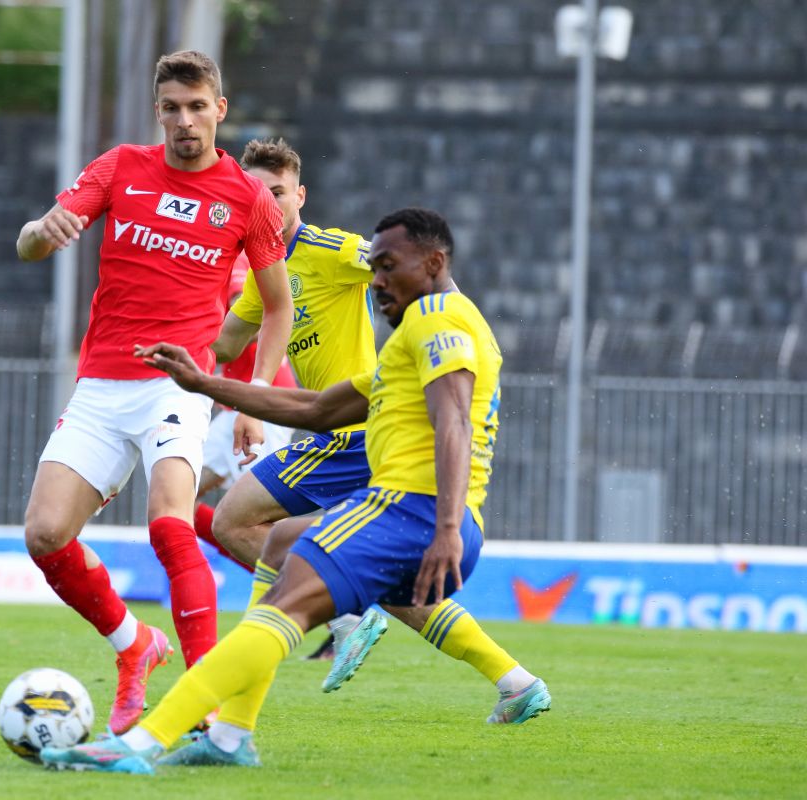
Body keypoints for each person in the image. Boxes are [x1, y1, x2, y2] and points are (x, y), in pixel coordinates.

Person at [41, 207, 551, 774]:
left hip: (411, 511)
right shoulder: (419, 333)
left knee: (282, 602)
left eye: (389, 266)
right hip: (418, 516)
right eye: (375, 268)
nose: (377, 281)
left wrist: (447, 528)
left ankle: (141, 744)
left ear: (434, 263)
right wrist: (205, 383)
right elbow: (317, 408)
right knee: (281, 542)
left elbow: (453, 419)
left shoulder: (436, 318)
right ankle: (231, 735)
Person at [14, 50, 293, 736]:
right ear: (158, 112)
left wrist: (253, 395)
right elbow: (30, 243)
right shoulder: (119, 168)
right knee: (45, 535)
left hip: (178, 384)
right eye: (172, 108)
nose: (184, 120)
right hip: (101, 384)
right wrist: (41, 233)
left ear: (219, 110)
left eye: (197, 107)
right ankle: (134, 644)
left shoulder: (248, 199)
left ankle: (201, 703)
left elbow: (278, 306)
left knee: (169, 521)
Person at [201, 137, 381, 656]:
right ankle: (514, 681)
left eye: (278, 192)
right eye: (257, 194)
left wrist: (445, 328)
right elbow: (224, 343)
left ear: (300, 196)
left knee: (235, 522)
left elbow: (404, 265)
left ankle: (341, 609)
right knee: (243, 524)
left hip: (362, 429)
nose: (268, 204)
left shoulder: (330, 249)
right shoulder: (267, 271)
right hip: (331, 431)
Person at [192, 255, 297, 573]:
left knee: (262, 520)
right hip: (234, 411)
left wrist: (196, 341)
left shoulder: (236, 258)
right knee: (175, 499)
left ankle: (315, 592)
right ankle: (268, 577)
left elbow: (253, 321)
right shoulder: (202, 256)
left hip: (264, 409)